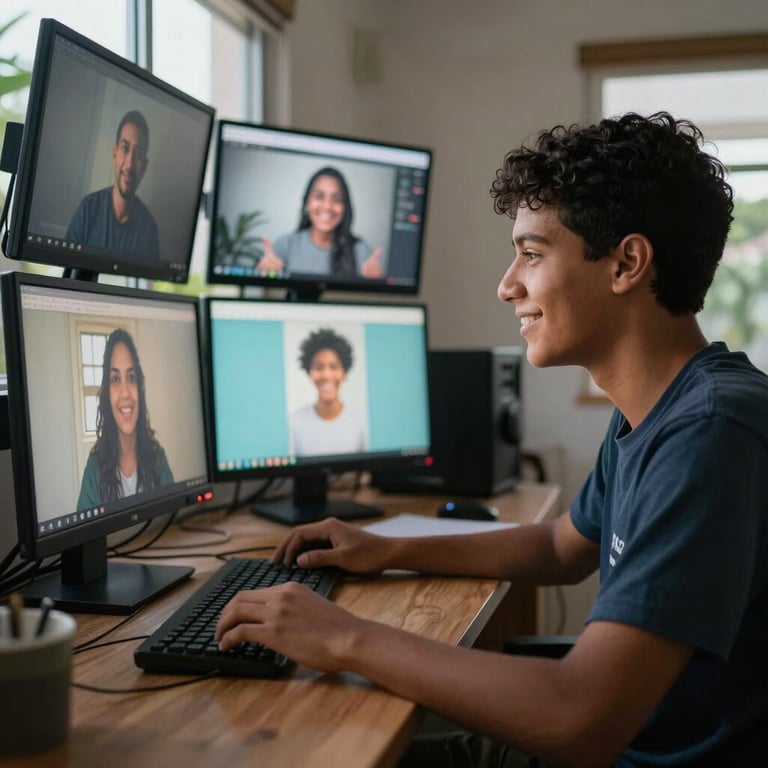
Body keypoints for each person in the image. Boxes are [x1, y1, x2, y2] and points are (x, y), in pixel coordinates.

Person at [215, 112, 768, 767]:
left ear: (626, 263)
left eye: (531, 253)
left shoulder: (708, 434)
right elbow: (562, 546)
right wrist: (384, 549)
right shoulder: (661, 411)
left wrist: (345, 639)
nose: (508, 285)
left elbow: (577, 717)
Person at [77, 328, 173, 509]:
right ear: (106, 392)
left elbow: (174, 520)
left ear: (140, 387)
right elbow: (83, 535)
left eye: (131, 377)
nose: (125, 393)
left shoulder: (158, 458)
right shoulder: (95, 467)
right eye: (115, 379)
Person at [257, 166, 383, 278]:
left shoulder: (360, 250)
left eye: (337, 199)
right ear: (307, 202)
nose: (327, 206)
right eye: (319, 196)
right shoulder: (286, 244)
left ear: (345, 207)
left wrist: (377, 283)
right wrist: (265, 273)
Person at [66, 110, 160, 259]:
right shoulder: (88, 209)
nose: (129, 164)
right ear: (115, 153)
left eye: (138, 154)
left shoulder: (149, 229)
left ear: (145, 165)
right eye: (125, 148)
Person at [290, 327, 368, 456]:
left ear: (344, 372)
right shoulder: (294, 422)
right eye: (318, 367)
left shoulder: (361, 421)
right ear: (310, 373)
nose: (326, 375)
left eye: (334, 367)